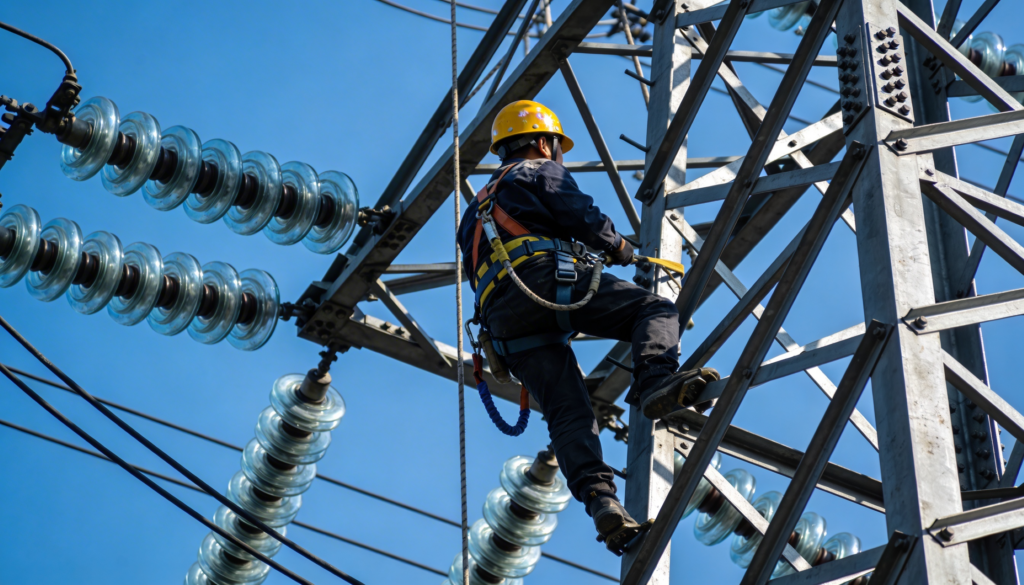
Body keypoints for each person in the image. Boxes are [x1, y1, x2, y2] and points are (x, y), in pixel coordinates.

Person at [458, 100, 719, 553]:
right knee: (655, 311)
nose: (557, 154)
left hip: (504, 323)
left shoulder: (472, 212)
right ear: (543, 142)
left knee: (567, 412)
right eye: (556, 147)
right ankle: (656, 380)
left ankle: (601, 501)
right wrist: (616, 246)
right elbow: (578, 213)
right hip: (546, 282)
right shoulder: (537, 170)